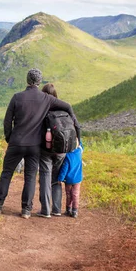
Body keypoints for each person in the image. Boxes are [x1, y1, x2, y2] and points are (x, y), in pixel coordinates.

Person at [0, 68, 78, 219]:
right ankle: (26, 210)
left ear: (27, 80)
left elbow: (7, 121)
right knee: (30, 177)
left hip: (16, 142)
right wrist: (75, 128)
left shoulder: (17, 97)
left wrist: (9, 138)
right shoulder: (46, 98)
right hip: (34, 146)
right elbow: (68, 106)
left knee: (7, 173)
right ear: (39, 82)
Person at [36, 83, 81, 218]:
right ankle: (56, 209)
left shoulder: (42, 109)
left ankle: (45, 210)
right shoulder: (65, 108)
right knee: (56, 179)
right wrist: (78, 143)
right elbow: (77, 126)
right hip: (62, 150)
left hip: (45, 149)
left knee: (45, 177)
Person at [58, 142, 84, 218]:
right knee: (76, 194)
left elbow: (64, 169)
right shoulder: (79, 152)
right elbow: (81, 146)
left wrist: (60, 179)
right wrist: (79, 139)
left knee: (69, 194)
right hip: (78, 178)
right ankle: (75, 211)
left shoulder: (67, 155)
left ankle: (68, 209)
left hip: (68, 180)